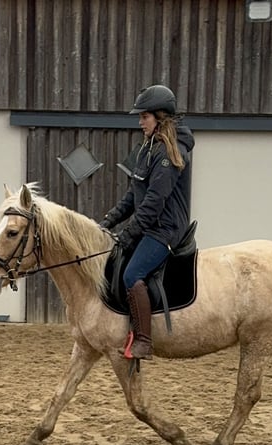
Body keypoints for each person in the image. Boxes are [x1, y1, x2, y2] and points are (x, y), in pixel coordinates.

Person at [100, 84, 195, 360]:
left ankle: (144, 341)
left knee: (132, 274)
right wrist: (108, 220)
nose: (140, 122)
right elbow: (133, 194)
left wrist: (129, 233)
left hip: (166, 229)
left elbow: (154, 201)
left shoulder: (169, 152)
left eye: (144, 117)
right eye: (140, 117)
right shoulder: (146, 148)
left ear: (160, 117)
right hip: (150, 225)